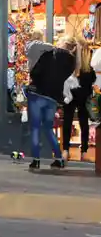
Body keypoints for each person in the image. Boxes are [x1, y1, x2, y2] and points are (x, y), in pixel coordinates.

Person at [26, 36, 77, 170]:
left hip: (37, 94)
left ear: (63, 43)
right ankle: (58, 159)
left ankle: (36, 160)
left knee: (35, 128)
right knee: (48, 128)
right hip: (53, 98)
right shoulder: (72, 63)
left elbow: (35, 72)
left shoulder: (50, 54)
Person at [61, 37, 95, 161]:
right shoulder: (87, 60)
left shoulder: (70, 60)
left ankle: (66, 150)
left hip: (71, 94)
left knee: (68, 121)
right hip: (83, 95)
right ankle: (84, 152)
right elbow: (92, 78)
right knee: (83, 123)